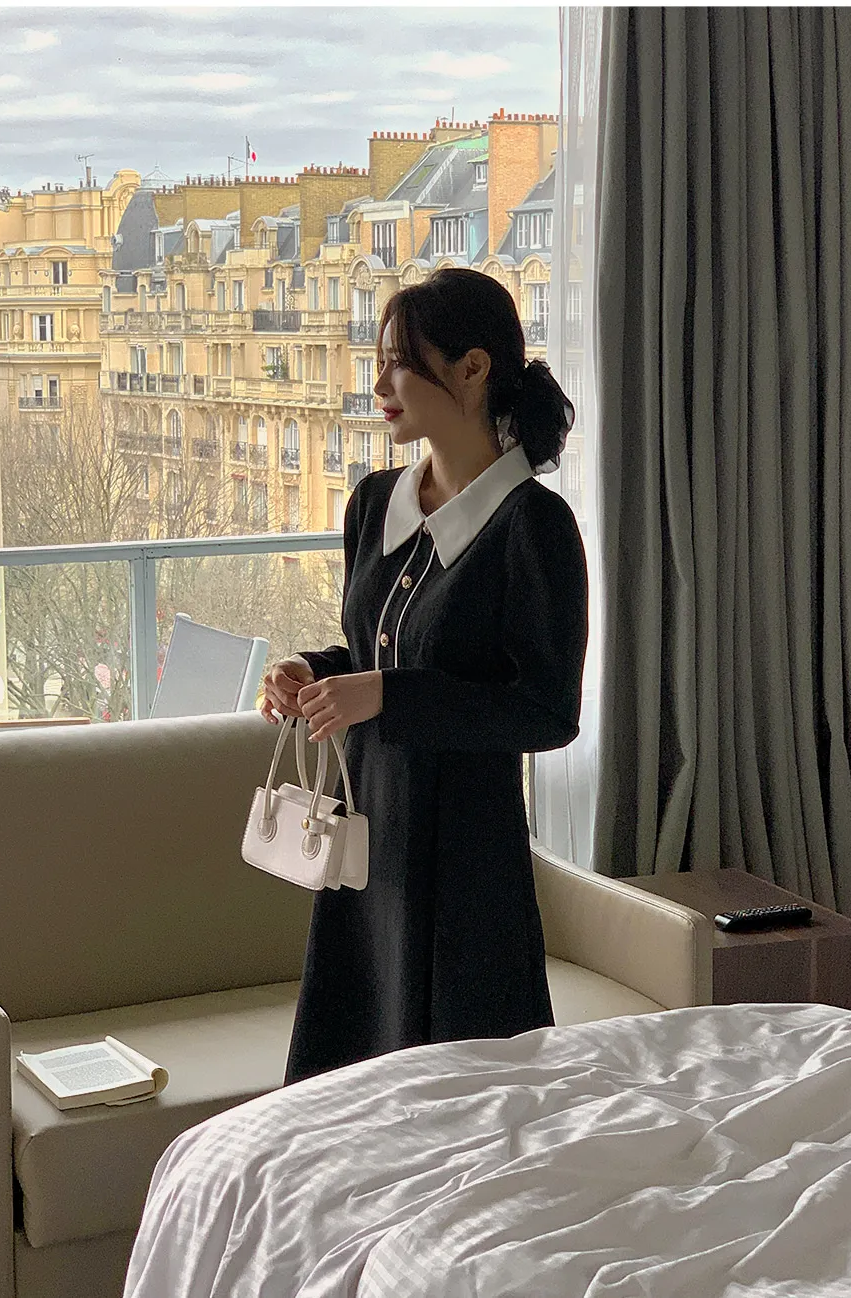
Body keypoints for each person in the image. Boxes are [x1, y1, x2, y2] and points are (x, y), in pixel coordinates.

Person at [261, 266, 588, 1086]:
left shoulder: (534, 527)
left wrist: (386, 696)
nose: (379, 387)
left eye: (399, 364)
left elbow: (546, 711)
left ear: (472, 370)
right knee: (351, 1092)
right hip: (367, 854)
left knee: (463, 1103)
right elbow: (381, 650)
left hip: (465, 868)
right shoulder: (374, 503)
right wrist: (316, 673)